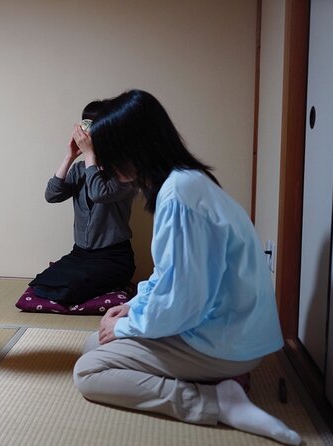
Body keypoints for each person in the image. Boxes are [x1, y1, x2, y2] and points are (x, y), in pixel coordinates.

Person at [71, 90, 301, 445]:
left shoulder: (179, 196)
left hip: (222, 342)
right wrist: (134, 305)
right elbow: (172, 275)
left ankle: (217, 403)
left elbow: (182, 301)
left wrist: (128, 327)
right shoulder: (186, 181)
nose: (104, 164)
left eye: (109, 154)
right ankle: (217, 382)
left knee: (89, 371)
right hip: (231, 332)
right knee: (94, 345)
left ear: (133, 148)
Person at [28, 100, 137, 305]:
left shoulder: (127, 171)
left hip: (113, 258)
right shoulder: (80, 169)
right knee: (42, 284)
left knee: (68, 290)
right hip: (81, 254)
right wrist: (70, 156)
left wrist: (89, 154)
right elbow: (51, 195)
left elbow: (98, 193)